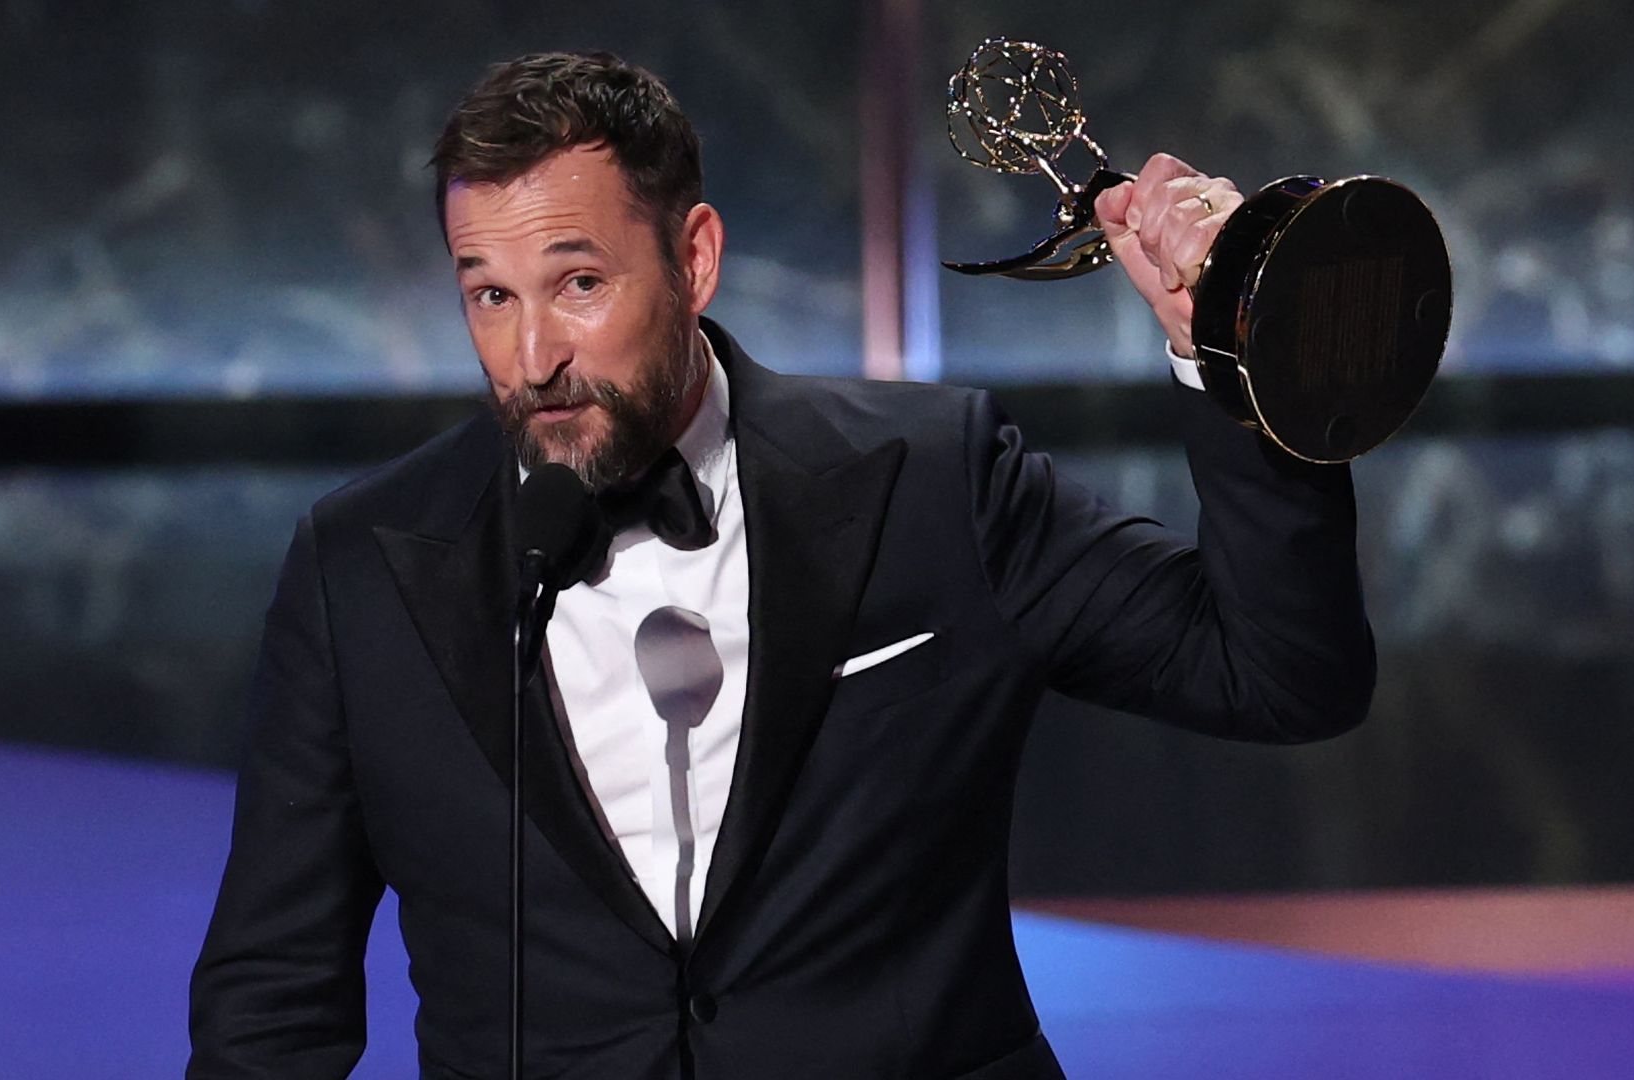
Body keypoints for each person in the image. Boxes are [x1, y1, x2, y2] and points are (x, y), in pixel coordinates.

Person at [188, 51, 1374, 1080]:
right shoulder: (364, 570)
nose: (532, 351)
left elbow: (1279, 673)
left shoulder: (930, 480)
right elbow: (271, 998)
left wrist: (1235, 354)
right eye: (489, 295)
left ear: (694, 259)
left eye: (579, 283)